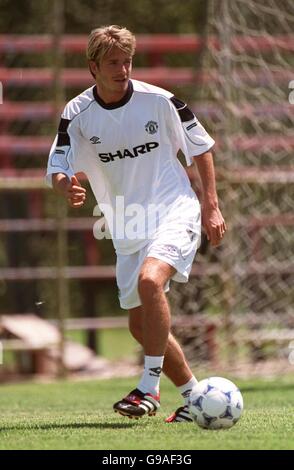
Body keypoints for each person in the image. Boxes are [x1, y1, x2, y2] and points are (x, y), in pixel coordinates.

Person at [46, 25, 226, 422]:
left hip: (175, 210)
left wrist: (210, 205)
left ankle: (148, 387)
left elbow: (202, 148)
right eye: (113, 62)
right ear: (93, 67)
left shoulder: (160, 102)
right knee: (139, 325)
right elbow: (58, 165)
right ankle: (196, 397)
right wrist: (65, 188)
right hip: (127, 225)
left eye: (127, 61)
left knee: (150, 282)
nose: (123, 69)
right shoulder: (76, 114)